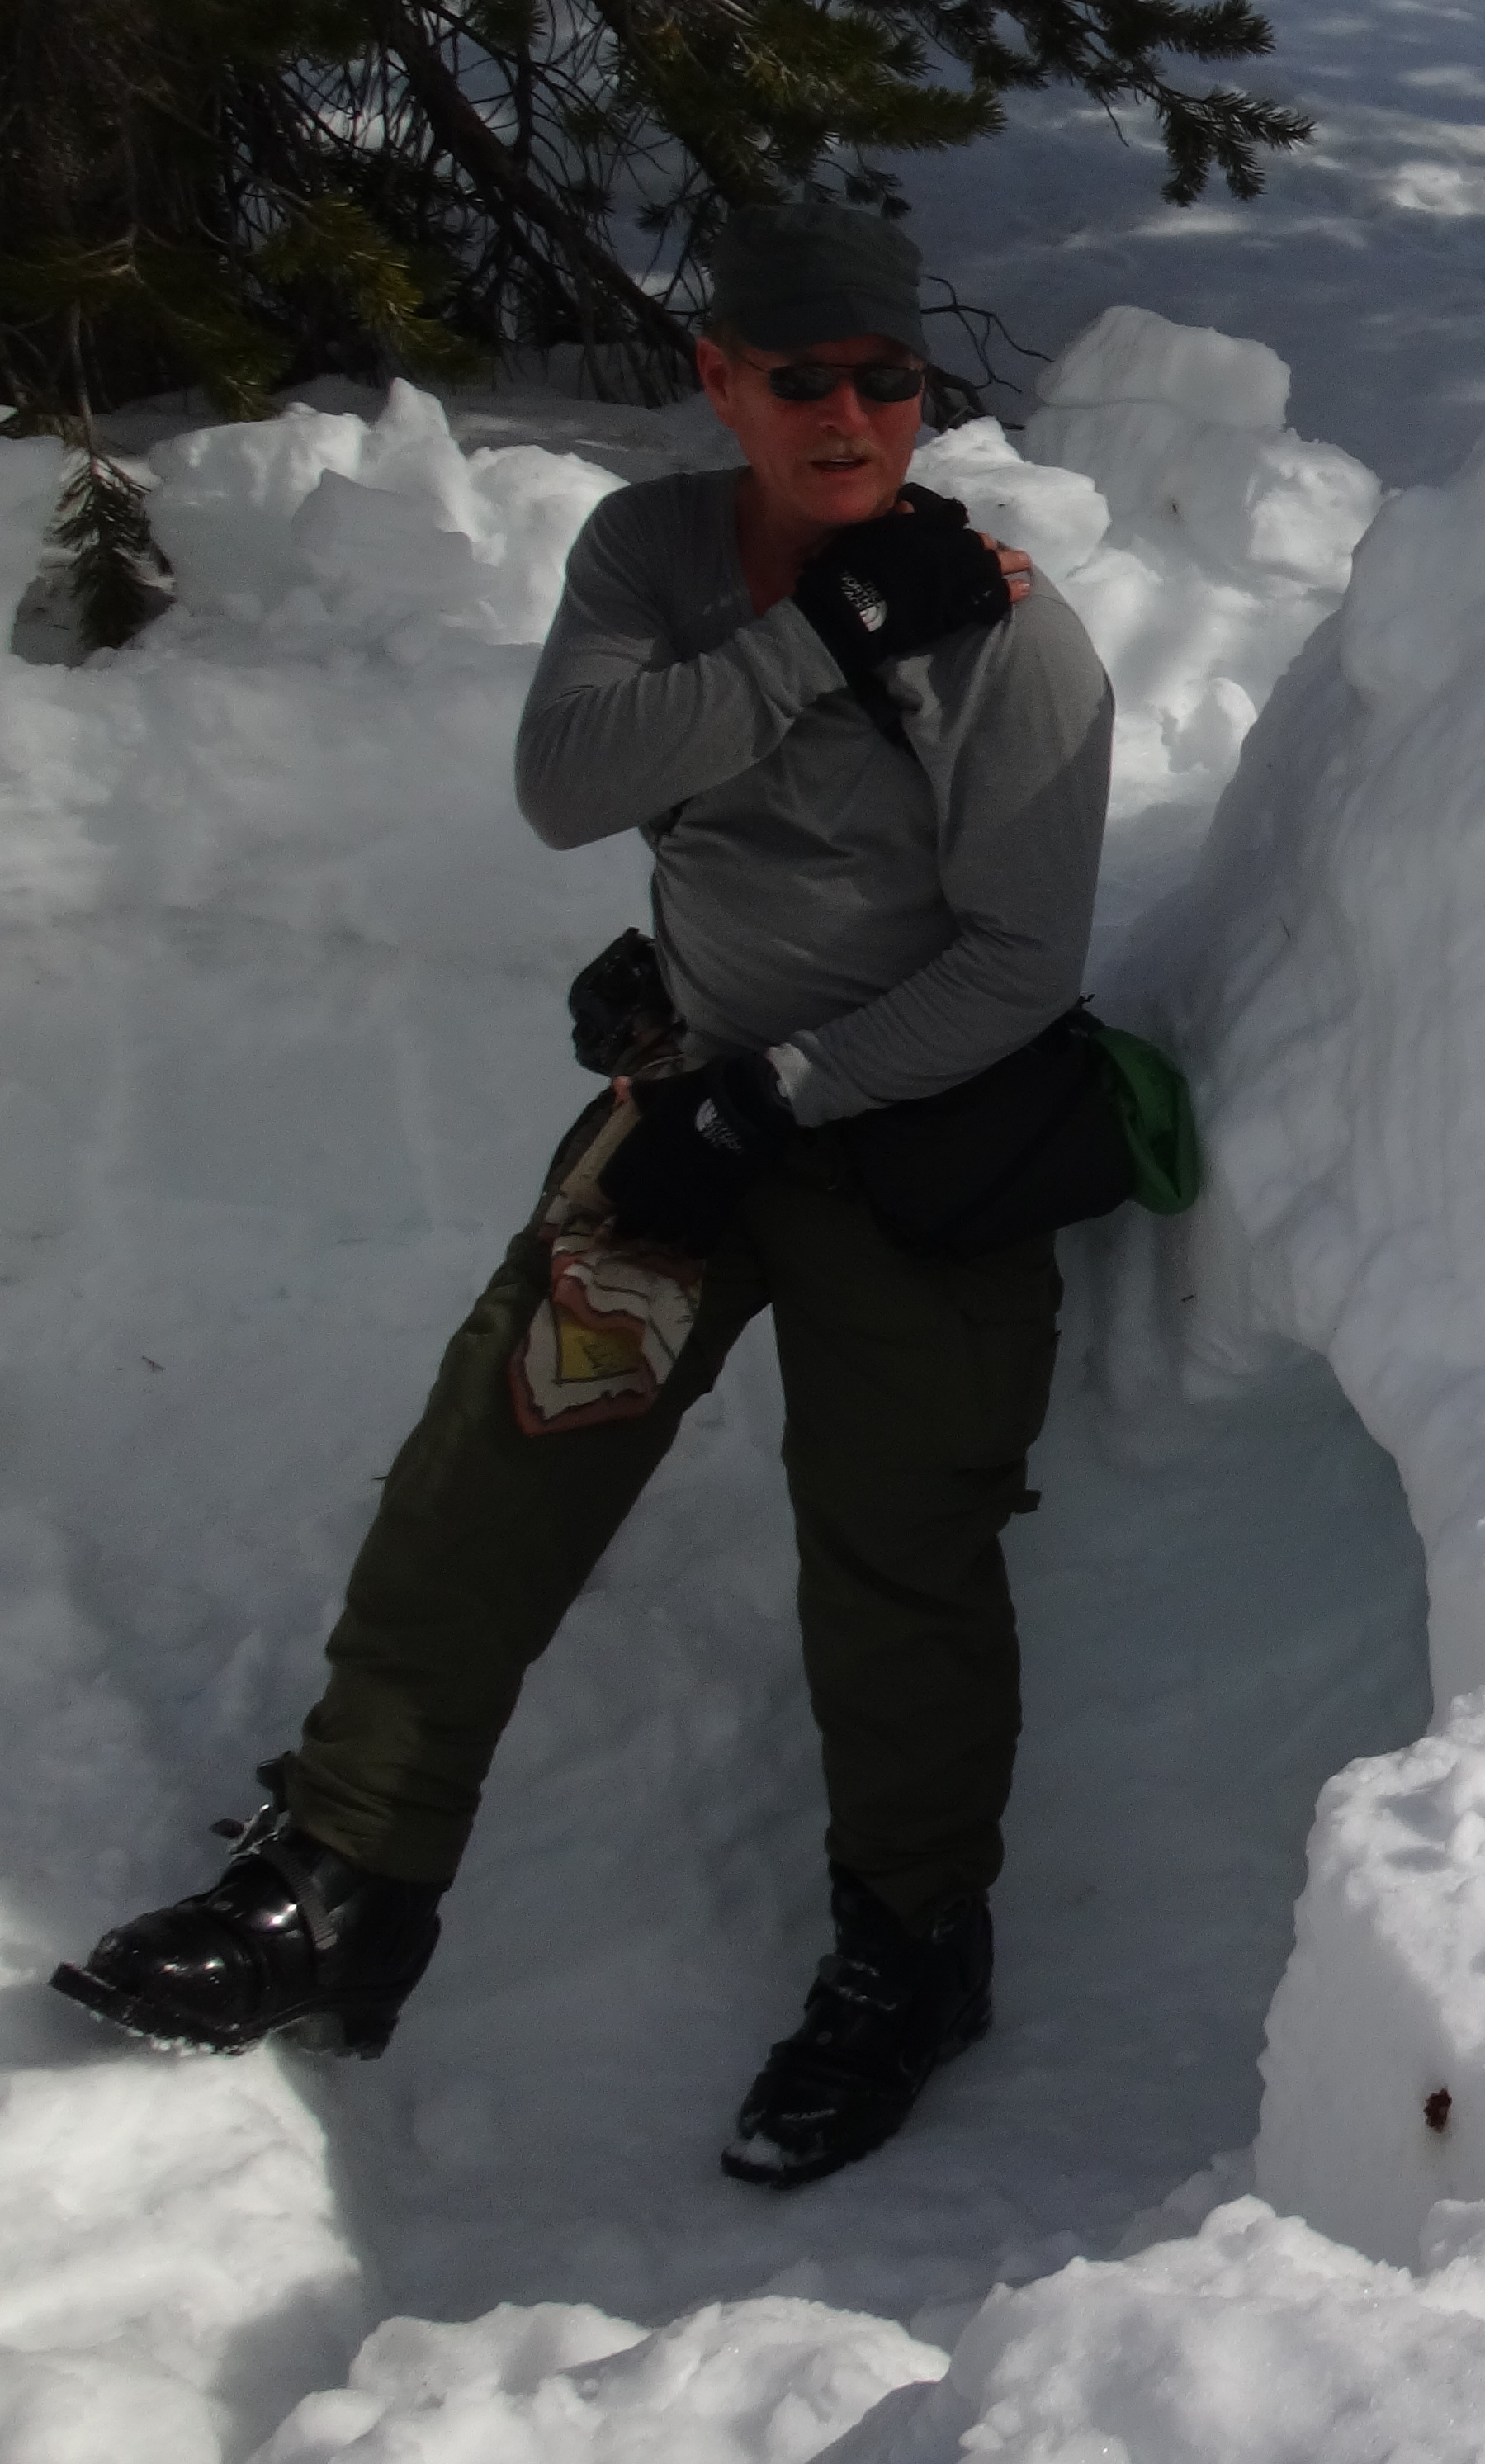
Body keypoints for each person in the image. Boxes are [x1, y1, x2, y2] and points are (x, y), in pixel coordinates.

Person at [52, 203, 1118, 2189]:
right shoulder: (653, 554)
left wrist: (784, 1093)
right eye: (800, 377)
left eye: (886, 379)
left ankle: (912, 1950)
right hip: (686, 1116)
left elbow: (1019, 966)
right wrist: (818, 643)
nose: (849, 414)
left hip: (917, 1150)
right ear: (721, 379)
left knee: (898, 1559)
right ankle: (344, 1880)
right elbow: (575, 781)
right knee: (496, 1469)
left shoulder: (1009, 635)